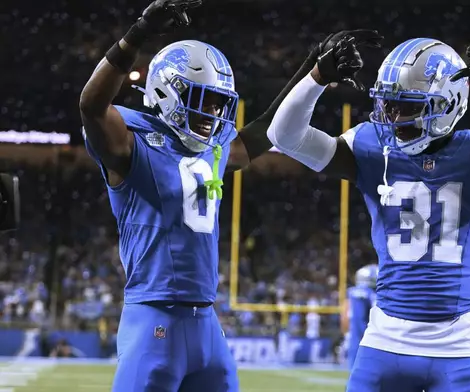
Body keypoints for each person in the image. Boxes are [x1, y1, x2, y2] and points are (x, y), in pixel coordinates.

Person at [267, 29, 470, 391]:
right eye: (390, 103)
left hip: (461, 344)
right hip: (385, 340)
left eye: (410, 106)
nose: (394, 116)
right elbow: (284, 136)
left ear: (449, 104)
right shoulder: (374, 146)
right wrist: (317, 78)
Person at [79, 1, 331, 390]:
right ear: (166, 91)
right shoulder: (133, 143)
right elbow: (92, 106)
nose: (213, 111)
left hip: (207, 323)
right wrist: (139, 33)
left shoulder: (213, 149)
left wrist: (313, 72)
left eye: (219, 102)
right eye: (204, 99)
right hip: (153, 318)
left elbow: (268, 129)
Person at [342, 264, 378, 369]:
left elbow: (345, 317)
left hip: (354, 333)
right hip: (367, 333)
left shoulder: (351, 292)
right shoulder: (369, 293)